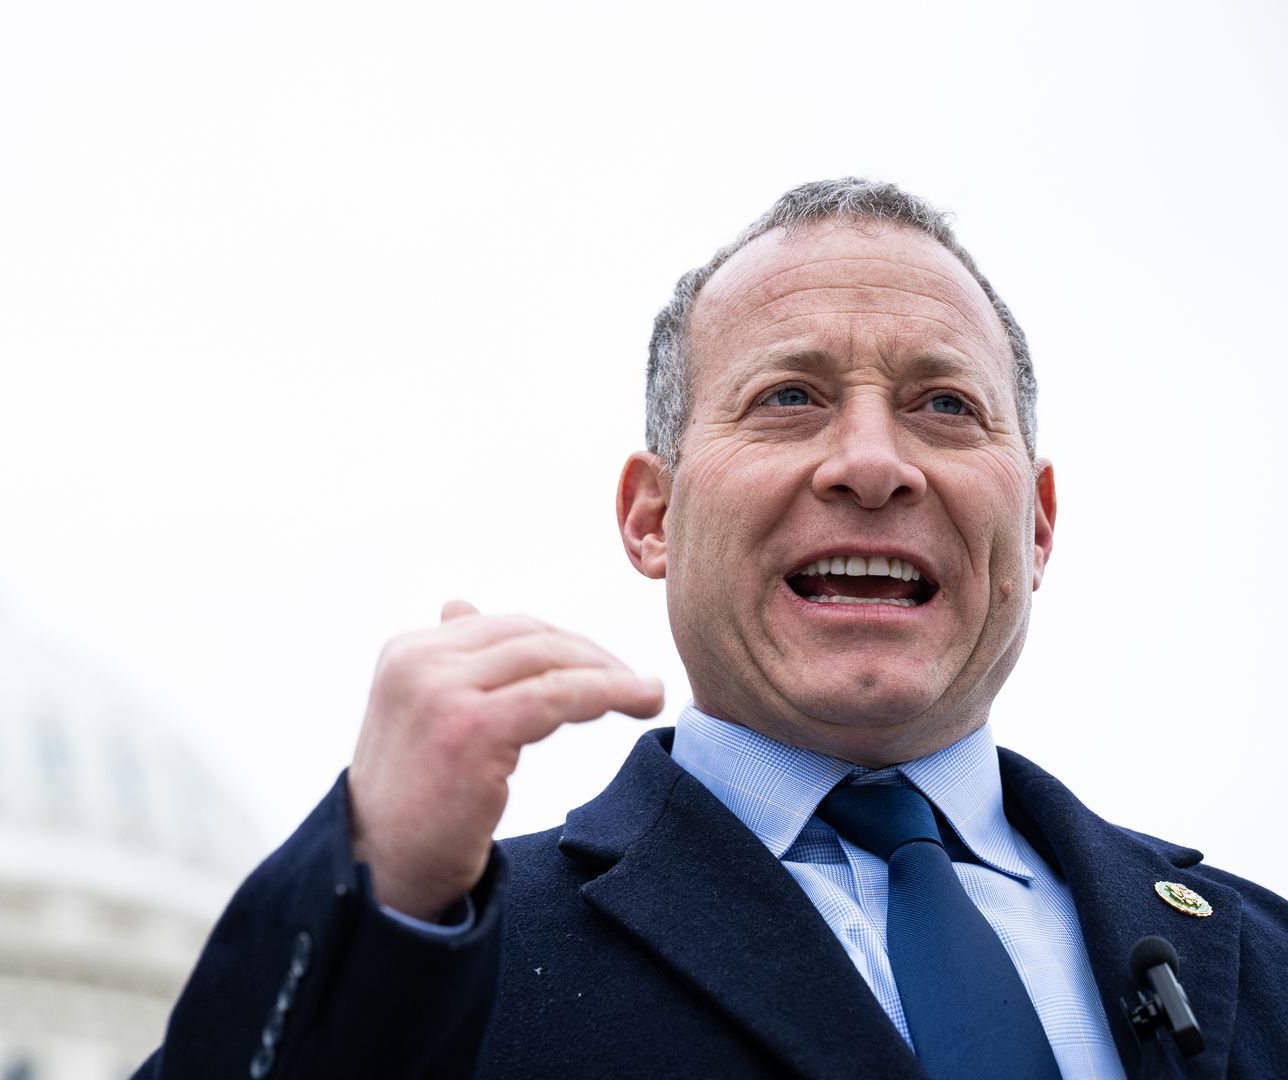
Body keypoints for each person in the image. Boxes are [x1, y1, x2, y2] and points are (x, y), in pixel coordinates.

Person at [132, 179, 1288, 1079]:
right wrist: (369, 891)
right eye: (790, 398)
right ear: (653, 514)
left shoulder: (1260, 956)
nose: (875, 464)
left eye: (945, 405)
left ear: (1035, 526)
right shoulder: (437, 960)